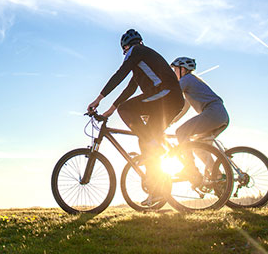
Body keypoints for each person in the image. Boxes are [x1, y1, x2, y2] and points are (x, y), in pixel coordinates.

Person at [87, 29, 184, 200]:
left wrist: (98, 99)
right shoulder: (142, 60)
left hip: (167, 95)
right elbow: (130, 87)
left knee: (128, 111)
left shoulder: (135, 51)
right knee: (145, 143)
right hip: (168, 100)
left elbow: (120, 74)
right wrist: (110, 110)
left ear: (125, 47)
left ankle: (156, 145)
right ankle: (158, 191)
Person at [169, 57, 229, 145]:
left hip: (213, 112)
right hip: (221, 115)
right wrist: (172, 121)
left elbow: (171, 96)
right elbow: (184, 108)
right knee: (200, 148)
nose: (174, 73)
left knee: (181, 132)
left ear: (183, 69)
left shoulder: (186, 79)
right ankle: (223, 159)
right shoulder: (192, 81)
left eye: (176, 70)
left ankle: (188, 159)